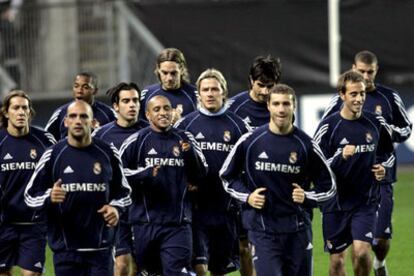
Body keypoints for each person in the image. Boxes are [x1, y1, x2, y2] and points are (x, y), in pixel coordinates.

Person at [220, 84, 337, 276]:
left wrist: (307, 196)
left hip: (298, 230)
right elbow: (227, 176)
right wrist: (247, 197)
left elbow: (329, 186)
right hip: (263, 230)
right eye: (276, 104)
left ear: (294, 107)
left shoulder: (307, 145)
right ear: (268, 106)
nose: (281, 109)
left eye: (286, 104)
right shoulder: (250, 141)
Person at [322, 51, 412, 276]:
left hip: (376, 184)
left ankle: (379, 264)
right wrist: (340, 157)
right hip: (340, 191)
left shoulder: (388, 100)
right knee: (338, 261)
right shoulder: (334, 112)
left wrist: (386, 133)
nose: (365, 76)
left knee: (373, 245)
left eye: (369, 72)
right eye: (360, 71)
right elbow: (319, 153)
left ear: (376, 70)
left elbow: (403, 132)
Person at [24, 100, 131, 276]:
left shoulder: (108, 152)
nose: (78, 121)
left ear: (92, 121)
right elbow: (29, 196)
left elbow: (124, 193)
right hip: (66, 251)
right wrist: (49, 196)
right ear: (65, 122)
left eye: (83, 116)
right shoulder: (53, 154)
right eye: (73, 116)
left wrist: (116, 207)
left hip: (101, 249)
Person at [314, 70, 395, 276]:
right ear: (342, 95)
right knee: (337, 262)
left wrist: (382, 168)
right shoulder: (328, 126)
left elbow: (388, 154)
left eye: (362, 94)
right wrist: (340, 156)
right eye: (353, 94)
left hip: (365, 201)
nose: (359, 99)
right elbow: (316, 166)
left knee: (361, 252)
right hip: (335, 203)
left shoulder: (376, 123)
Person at [120, 95, 208, 275]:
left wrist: (190, 154)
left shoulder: (185, 138)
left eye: (167, 108)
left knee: (177, 272)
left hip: (178, 223)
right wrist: (145, 173)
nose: (163, 113)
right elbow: (117, 175)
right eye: (157, 109)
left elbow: (202, 173)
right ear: (148, 114)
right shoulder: (137, 141)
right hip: (145, 223)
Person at [175, 69, 250, 276]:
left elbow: (248, 165)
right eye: (205, 89)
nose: (210, 93)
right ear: (198, 93)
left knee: (220, 269)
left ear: (223, 92)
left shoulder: (239, 126)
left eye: (214, 89)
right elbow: (174, 162)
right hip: (196, 209)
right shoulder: (185, 125)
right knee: (199, 267)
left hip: (226, 208)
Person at [92, 82, 147, 276]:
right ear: (116, 106)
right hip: (118, 210)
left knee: (143, 267)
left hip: (147, 210)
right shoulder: (101, 135)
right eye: (126, 101)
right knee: (123, 263)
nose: (132, 105)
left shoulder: (150, 132)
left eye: (135, 100)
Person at [0, 90, 55, 276]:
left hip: (34, 222)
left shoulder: (44, 139)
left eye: (25, 108)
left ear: (30, 112)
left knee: (31, 274)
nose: (21, 112)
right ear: (6, 113)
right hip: (4, 222)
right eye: (16, 108)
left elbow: (58, 168)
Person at [45, 72, 116, 141]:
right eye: (76, 86)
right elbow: (45, 139)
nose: (79, 91)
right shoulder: (61, 113)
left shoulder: (109, 114)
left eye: (85, 87)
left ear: (95, 91)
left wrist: (98, 131)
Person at [139, 48, 198, 124]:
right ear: (158, 70)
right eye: (165, 73)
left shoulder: (195, 95)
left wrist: (180, 123)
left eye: (173, 73)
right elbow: (139, 126)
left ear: (182, 69)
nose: (169, 78)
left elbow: (201, 127)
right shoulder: (147, 94)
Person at [227, 55, 281, 128]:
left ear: (276, 84)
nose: (265, 92)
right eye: (261, 85)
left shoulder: (282, 108)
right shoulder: (233, 108)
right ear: (252, 80)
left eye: (270, 86)